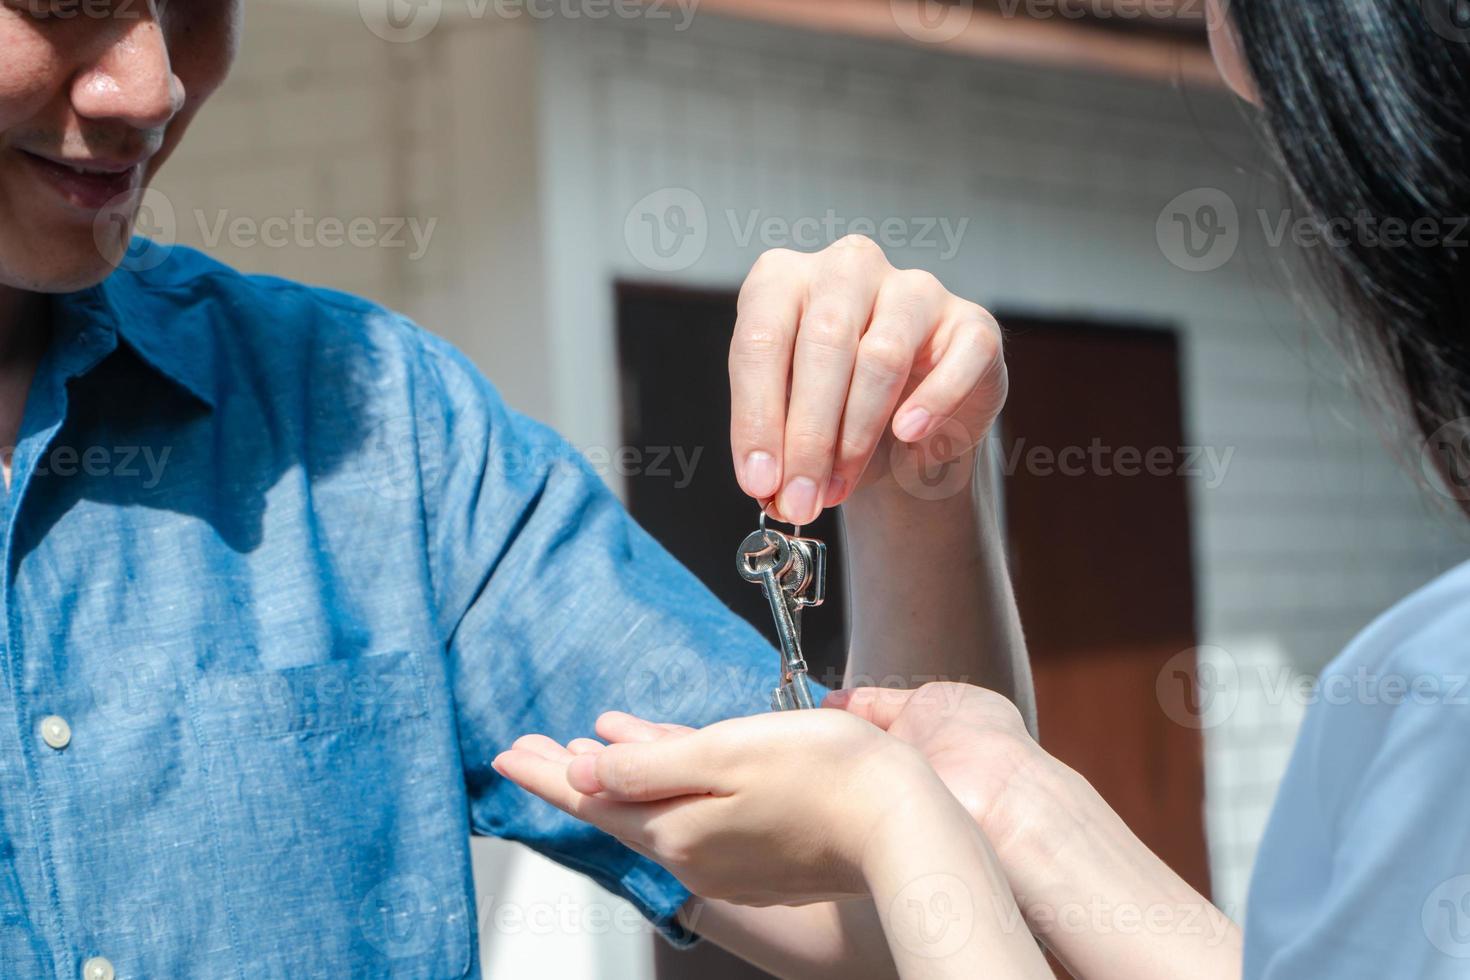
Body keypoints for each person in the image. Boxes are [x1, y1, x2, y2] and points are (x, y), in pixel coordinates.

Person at [0, 2, 1028, 978]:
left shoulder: (366, 421)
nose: (150, 84)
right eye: (57, 2)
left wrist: (917, 476)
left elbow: (887, 900)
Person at [495, 1, 1470, 977]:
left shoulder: (1429, 695)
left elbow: (861, 910)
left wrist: (893, 815)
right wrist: (1009, 802)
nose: (1239, 65)